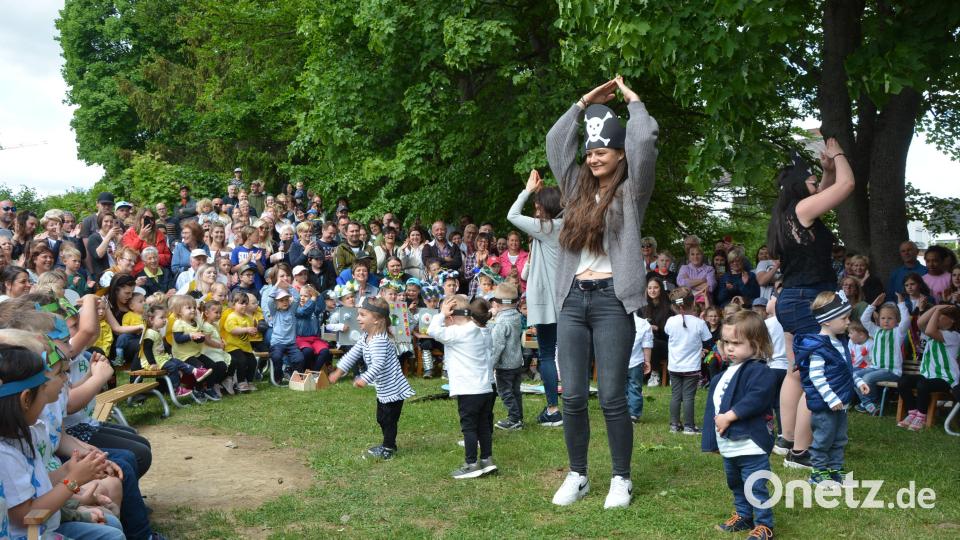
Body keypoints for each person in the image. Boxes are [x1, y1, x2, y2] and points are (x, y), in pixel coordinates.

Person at [546, 76, 657, 509]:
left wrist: (634, 102)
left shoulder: (633, 191)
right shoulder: (574, 188)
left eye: (601, 152)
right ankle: (578, 474)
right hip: (573, 300)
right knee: (571, 394)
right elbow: (557, 144)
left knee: (611, 395)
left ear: (619, 154)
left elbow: (645, 143)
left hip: (613, 301)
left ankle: (620, 478)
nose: (593, 158)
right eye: (590, 152)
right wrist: (583, 103)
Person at [766, 141, 854, 470]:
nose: (817, 182)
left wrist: (828, 169)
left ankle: (787, 438)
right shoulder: (801, 212)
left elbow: (830, 187)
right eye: (812, 179)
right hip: (808, 301)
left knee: (795, 373)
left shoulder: (792, 214)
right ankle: (801, 452)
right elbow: (847, 185)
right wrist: (840, 154)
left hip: (792, 297)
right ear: (799, 185)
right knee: (815, 377)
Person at [0, 344, 127, 540]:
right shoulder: (5, 455)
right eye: (43, 389)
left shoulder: (23, 436)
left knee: (111, 526)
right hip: (33, 534)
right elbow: (28, 517)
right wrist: (71, 482)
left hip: (45, 529)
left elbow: (33, 485)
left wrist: (65, 471)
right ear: (26, 399)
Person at [702, 310, 777, 540]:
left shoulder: (760, 371)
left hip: (751, 443)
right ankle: (744, 515)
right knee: (735, 482)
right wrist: (712, 441)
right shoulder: (721, 376)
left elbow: (756, 398)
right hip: (730, 445)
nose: (730, 348)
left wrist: (731, 416)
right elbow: (712, 411)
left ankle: (764, 524)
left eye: (737, 343)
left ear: (756, 345)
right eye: (726, 342)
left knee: (756, 485)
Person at [793, 291, 870, 487]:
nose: (848, 322)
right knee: (823, 438)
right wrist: (831, 399)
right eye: (844, 318)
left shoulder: (840, 343)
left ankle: (835, 470)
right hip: (826, 404)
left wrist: (858, 381)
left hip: (841, 402)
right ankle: (818, 472)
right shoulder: (818, 347)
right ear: (827, 321)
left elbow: (846, 369)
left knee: (839, 438)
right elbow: (816, 377)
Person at [507, 169, 564, 426]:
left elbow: (512, 215)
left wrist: (528, 190)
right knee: (570, 356)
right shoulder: (566, 225)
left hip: (546, 304)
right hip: (565, 300)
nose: (536, 210)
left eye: (539, 206)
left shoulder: (547, 227)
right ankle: (571, 406)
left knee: (546, 355)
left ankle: (553, 411)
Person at [329, 297, 415, 460]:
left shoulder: (379, 341)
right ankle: (388, 444)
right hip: (385, 389)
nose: (357, 318)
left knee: (388, 420)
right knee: (382, 418)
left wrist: (364, 379)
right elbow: (352, 354)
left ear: (376, 320)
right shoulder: (366, 337)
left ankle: (388, 448)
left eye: (362, 315)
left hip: (393, 389)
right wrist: (338, 371)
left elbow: (378, 365)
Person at [427, 295, 497, 479]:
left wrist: (440, 315)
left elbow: (433, 331)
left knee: (469, 428)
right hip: (485, 389)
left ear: (450, 316)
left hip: (469, 390)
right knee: (483, 426)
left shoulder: (457, 333)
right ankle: (487, 460)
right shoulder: (479, 330)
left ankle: (471, 464)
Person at [897, 304, 960, 431]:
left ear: (952, 320)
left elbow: (930, 330)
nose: (936, 317)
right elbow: (920, 323)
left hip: (945, 379)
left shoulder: (954, 336)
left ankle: (921, 417)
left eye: (941, 316)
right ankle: (912, 413)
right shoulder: (930, 334)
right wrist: (937, 307)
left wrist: (937, 310)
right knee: (903, 382)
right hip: (927, 376)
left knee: (923, 385)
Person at [665, 287, 712, 434]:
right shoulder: (699, 323)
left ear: (674, 306)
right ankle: (689, 426)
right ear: (693, 304)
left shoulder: (670, 321)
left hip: (674, 366)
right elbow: (708, 341)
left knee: (675, 396)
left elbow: (668, 333)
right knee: (689, 397)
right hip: (691, 367)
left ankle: (674, 424)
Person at [855, 293, 910, 414]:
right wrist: (874, 305)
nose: (886, 321)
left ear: (897, 320)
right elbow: (864, 319)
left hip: (891, 371)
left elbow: (906, 320)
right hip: (875, 368)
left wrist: (901, 304)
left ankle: (874, 403)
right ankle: (868, 403)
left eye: (890, 318)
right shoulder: (876, 331)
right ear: (878, 320)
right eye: (883, 318)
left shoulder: (898, 333)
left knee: (868, 378)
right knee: (855, 376)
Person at [140, 304, 210, 398]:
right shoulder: (149, 333)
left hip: (160, 358)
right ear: (151, 319)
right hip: (152, 362)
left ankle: (196, 372)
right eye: (161, 318)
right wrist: (152, 363)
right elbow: (146, 349)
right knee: (173, 366)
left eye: (165, 317)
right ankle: (176, 389)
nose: (165, 320)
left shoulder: (157, 331)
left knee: (178, 362)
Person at [489, 283, 524, 430]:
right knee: (516, 391)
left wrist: (489, 365)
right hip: (517, 362)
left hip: (505, 365)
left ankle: (514, 419)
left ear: (495, 304)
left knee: (505, 392)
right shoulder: (517, 317)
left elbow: (497, 347)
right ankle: (519, 417)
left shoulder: (502, 323)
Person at [222, 291, 259, 392]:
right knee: (242, 361)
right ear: (233, 305)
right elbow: (233, 330)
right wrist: (246, 330)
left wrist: (252, 332)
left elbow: (248, 332)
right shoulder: (232, 317)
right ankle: (241, 383)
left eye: (246, 303)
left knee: (252, 362)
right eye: (241, 303)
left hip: (245, 346)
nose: (244, 305)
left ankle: (249, 382)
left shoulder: (248, 318)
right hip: (233, 346)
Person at [121, 207, 171, 275]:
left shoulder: (159, 234)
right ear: (139, 218)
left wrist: (153, 258)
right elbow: (129, 255)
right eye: (146, 218)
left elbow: (167, 257)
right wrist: (140, 237)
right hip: (138, 273)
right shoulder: (129, 233)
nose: (149, 221)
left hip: (158, 272)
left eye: (152, 218)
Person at [627, 311, 653, 422]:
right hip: (636, 362)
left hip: (617, 362)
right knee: (635, 388)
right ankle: (633, 414)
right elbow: (647, 344)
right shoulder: (644, 323)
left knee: (619, 388)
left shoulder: (613, 321)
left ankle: (621, 411)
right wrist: (647, 361)